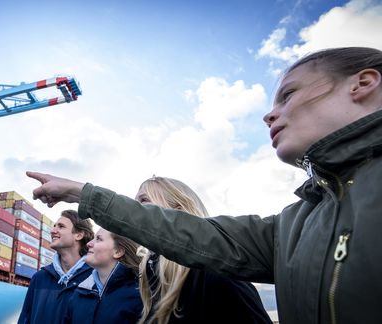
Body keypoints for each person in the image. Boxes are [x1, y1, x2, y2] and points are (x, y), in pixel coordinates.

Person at [26, 47, 382, 324]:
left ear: (363, 84)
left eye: (287, 95)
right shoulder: (291, 226)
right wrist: (81, 193)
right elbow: (195, 235)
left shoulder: (215, 279)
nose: (269, 114)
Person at [136, 176, 271, 323]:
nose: (133, 209)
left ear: (178, 211)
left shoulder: (218, 274)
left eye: (143, 200)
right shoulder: (150, 281)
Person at [18, 210, 94, 324]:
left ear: (79, 235)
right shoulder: (39, 278)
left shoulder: (94, 278)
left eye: (61, 226)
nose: (53, 231)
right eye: (54, 226)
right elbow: (25, 318)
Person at [63, 228, 142, 324]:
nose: (89, 244)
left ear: (118, 251)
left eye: (99, 239)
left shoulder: (139, 296)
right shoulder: (79, 293)